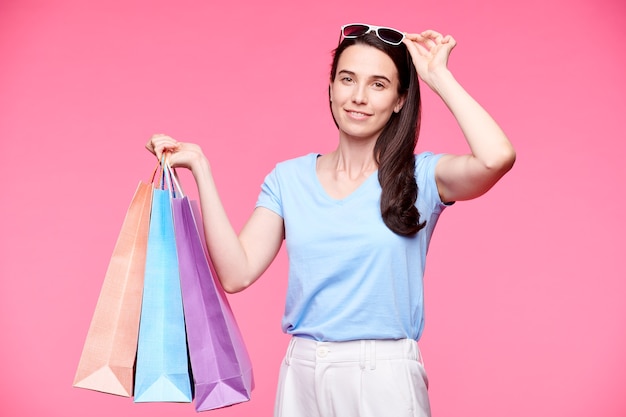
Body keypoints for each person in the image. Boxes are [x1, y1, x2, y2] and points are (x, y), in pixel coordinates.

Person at [147, 23, 515, 417]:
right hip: (302, 373)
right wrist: (201, 168)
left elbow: (496, 158)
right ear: (330, 88)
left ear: (398, 100)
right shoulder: (288, 179)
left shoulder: (422, 177)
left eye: (378, 84)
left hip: (383, 376)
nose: (358, 97)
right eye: (347, 79)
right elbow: (237, 273)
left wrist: (439, 76)